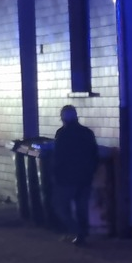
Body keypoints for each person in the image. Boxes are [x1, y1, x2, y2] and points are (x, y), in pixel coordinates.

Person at [52, 105, 99, 245]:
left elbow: (58, 157)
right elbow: (94, 155)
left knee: (60, 206)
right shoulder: (87, 133)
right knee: (81, 207)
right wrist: (91, 172)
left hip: (67, 178)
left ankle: (77, 231)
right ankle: (82, 234)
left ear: (63, 118)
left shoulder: (62, 134)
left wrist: (56, 174)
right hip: (85, 177)